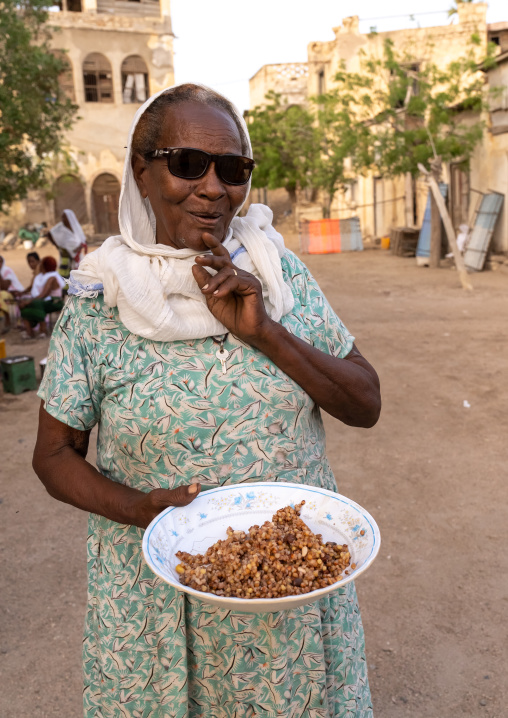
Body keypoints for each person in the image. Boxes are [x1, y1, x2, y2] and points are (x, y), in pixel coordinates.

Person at [33, 84, 381, 718]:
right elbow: (54, 454)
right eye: (188, 163)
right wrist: (139, 510)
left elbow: (364, 403)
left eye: (233, 169)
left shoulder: (278, 275)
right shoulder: (99, 300)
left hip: (288, 589)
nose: (214, 187)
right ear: (141, 171)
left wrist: (265, 332)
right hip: (155, 603)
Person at [18, 256, 66, 337]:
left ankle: (43, 330)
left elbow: (44, 294)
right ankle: (29, 332)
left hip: (55, 302)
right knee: (23, 306)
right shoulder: (42, 276)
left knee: (37, 304)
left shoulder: (52, 277)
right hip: (46, 301)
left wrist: (29, 301)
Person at [48, 209, 87, 281]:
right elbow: (50, 233)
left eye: (64, 217)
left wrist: (79, 247)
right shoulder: (60, 227)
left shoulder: (75, 226)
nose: (63, 219)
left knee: (78, 274)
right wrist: (56, 245)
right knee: (65, 273)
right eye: (62, 217)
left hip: (77, 255)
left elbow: (83, 240)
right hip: (66, 255)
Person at [0, 255, 24, 333]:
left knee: (2, 295)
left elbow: (5, 287)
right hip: (6, 294)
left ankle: (8, 320)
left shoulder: (6, 271)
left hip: (15, 294)